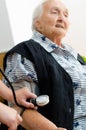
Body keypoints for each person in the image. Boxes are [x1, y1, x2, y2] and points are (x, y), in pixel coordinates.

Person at [3, 0, 86, 130]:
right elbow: (18, 106)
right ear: (37, 23)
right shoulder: (24, 53)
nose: (61, 18)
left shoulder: (75, 55)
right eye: (55, 12)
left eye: (65, 15)